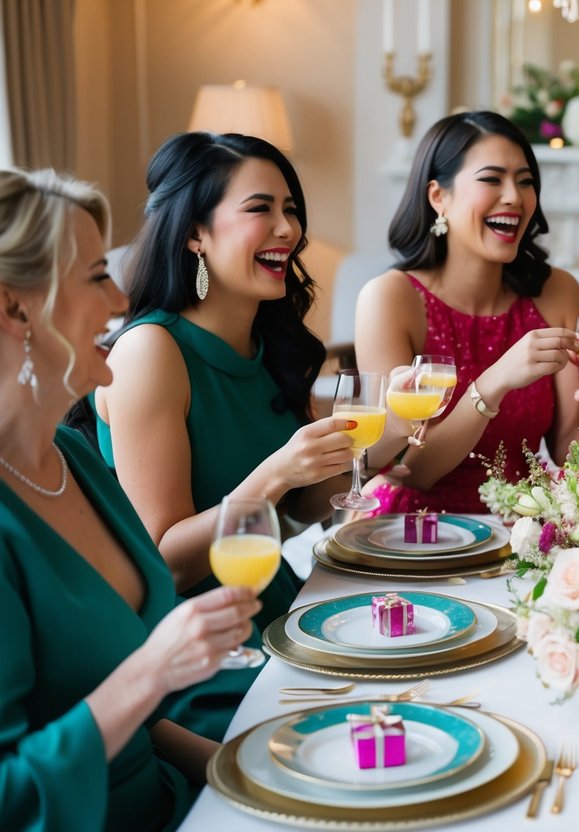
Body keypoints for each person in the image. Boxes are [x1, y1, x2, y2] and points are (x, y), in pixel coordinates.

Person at [0, 168, 260, 830]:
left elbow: (132, 722)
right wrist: (152, 671)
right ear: (13, 308)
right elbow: (10, 796)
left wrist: (245, 772)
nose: (121, 296)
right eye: (95, 276)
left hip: (173, 797)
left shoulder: (74, 458)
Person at [91, 133, 355, 736]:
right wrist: (276, 473)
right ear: (195, 233)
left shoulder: (267, 343)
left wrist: (373, 444)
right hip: (207, 654)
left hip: (288, 614)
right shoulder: (151, 352)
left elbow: (308, 508)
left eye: (291, 209)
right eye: (260, 208)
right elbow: (166, 565)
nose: (288, 228)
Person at [354, 111, 579, 513]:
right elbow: (416, 471)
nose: (515, 196)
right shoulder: (390, 298)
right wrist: (493, 382)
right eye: (492, 179)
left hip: (524, 533)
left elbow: (568, 453)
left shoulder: (558, 291)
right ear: (438, 197)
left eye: (526, 180)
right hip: (414, 532)